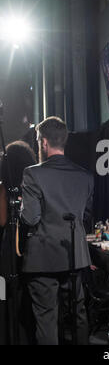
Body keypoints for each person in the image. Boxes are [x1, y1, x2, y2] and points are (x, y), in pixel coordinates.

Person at [20, 116, 94, 345]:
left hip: (43, 260)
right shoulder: (85, 176)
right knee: (79, 315)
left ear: (43, 143)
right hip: (76, 257)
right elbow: (86, 217)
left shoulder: (33, 174)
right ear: (64, 141)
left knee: (46, 319)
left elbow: (30, 218)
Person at [0, 140, 37, 345]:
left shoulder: (4, 188)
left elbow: (2, 220)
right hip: (31, 247)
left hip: (8, 251)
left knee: (6, 296)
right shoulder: (34, 184)